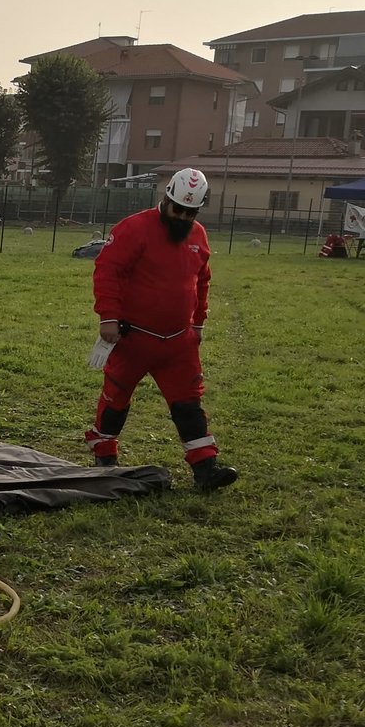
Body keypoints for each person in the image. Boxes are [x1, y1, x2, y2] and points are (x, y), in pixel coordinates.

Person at [84, 168, 238, 491]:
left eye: (189, 213)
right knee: (116, 398)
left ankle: (205, 468)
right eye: (177, 210)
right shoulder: (134, 229)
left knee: (188, 403)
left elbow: (202, 281)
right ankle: (104, 455)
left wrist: (198, 323)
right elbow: (107, 270)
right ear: (166, 199)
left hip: (179, 344)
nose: (181, 218)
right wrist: (108, 317)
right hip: (133, 339)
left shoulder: (198, 236)